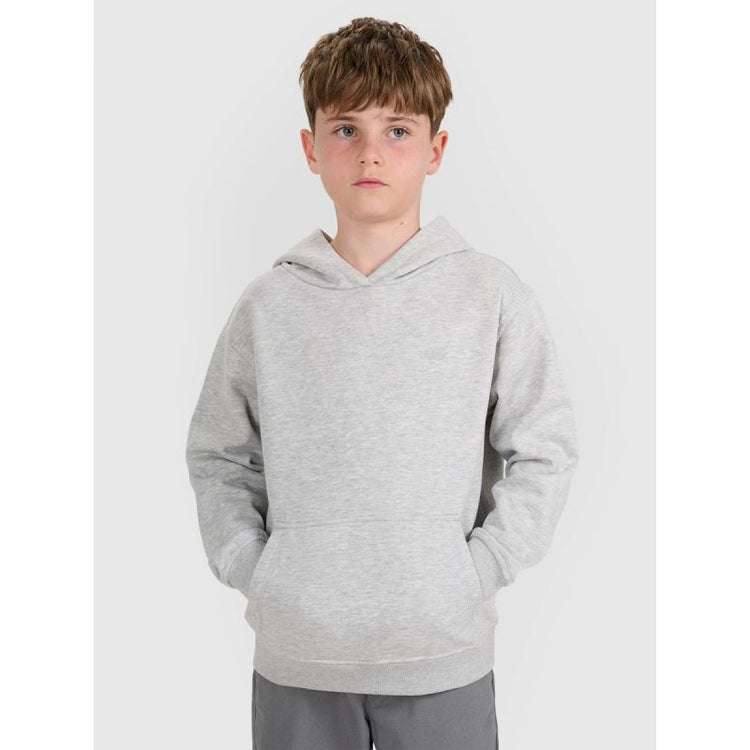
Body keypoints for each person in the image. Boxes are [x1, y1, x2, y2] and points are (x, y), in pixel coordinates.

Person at [185, 16, 579, 750]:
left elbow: (545, 448)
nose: (370, 152)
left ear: (436, 149)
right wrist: (256, 569)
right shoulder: (267, 306)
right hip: (299, 657)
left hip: (443, 658)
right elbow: (217, 453)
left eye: (398, 130)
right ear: (311, 148)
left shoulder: (489, 294)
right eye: (346, 129)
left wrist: (479, 570)